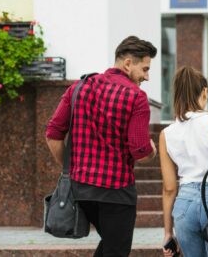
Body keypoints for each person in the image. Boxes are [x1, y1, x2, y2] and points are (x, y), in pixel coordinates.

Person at [45, 35, 158, 256]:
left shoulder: (78, 87)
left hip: (81, 188)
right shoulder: (137, 97)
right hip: (116, 191)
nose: (147, 76)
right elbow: (141, 151)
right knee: (116, 250)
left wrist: (70, 170)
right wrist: (152, 150)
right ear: (127, 64)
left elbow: (53, 134)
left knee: (109, 246)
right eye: (144, 69)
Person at [159, 66, 208, 257]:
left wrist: (168, 233)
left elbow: (169, 188)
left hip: (184, 204)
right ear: (204, 93)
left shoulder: (166, 134)